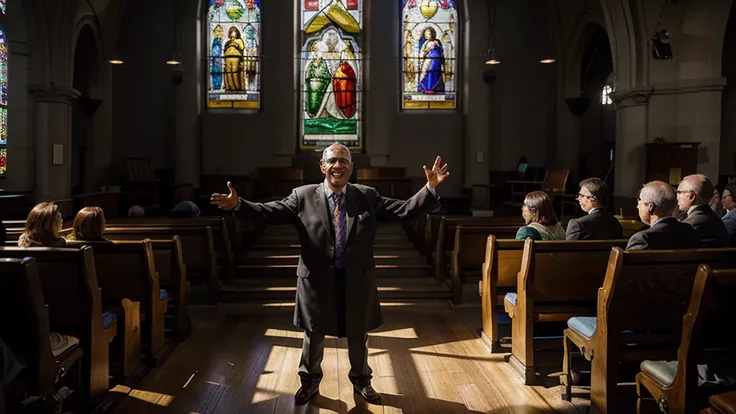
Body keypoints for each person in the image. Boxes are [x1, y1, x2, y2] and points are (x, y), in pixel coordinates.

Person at [210, 143, 449, 404]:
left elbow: (404, 210)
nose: (338, 166)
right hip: (316, 280)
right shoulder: (302, 196)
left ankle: (362, 382)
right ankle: (309, 383)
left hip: (357, 278)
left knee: (358, 333)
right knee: (314, 334)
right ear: (323, 166)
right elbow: (269, 212)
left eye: (344, 161)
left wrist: (430, 188)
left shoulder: (367, 195)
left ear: (351, 168)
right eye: (333, 161)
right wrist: (238, 204)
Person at [626, 181, 701, 250]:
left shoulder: (643, 239)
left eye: (639, 200)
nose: (637, 206)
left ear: (650, 207)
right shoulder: (691, 232)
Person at [676, 174, 729, 247]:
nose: (677, 197)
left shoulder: (690, 225)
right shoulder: (715, 219)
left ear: (691, 196)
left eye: (679, 192)